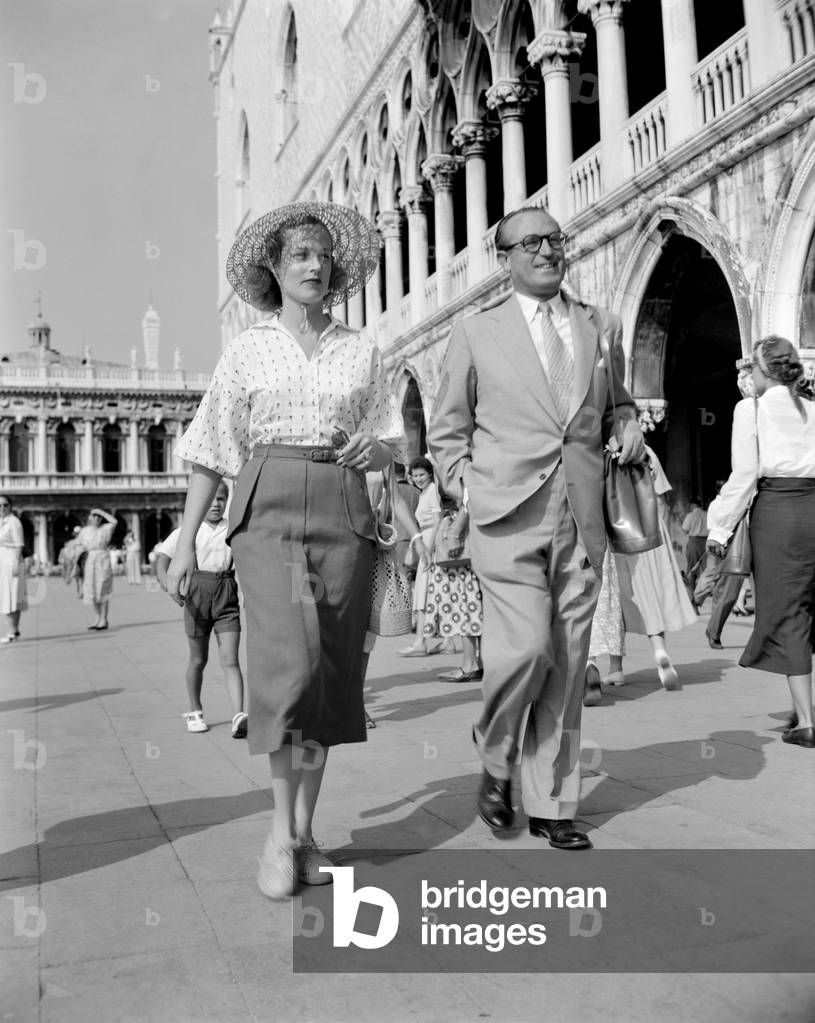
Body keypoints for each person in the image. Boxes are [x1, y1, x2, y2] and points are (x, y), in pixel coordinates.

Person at [166, 201, 405, 899]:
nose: (314, 265)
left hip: (342, 506)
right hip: (266, 505)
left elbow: (391, 440)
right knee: (287, 665)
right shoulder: (247, 350)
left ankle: (304, 832)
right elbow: (211, 450)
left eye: (323, 255)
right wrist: (184, 545)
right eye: (299, 254)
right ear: (273, 266)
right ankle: (278, 831)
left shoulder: (361, 348)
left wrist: (376, 450)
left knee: (329, 669)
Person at [429, 205, 645, 850]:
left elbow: (618, 404)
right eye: (531, 243)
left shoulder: (601, 325)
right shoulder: (476, 331)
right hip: (506, 515)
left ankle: (553, 803)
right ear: (506, 259)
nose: (547, 251)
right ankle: (496, 749)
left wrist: (629, 424)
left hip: (583, 514)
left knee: (569, 663)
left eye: (555, 239)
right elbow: (447, 429)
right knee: (524, 648)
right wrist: (467, 486)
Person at [707, 336, 815, 748]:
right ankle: (800, 709)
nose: (748, 373)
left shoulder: (750, 409)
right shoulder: (812, 406)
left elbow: (745, 475)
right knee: (808, 610)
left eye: (751, 366)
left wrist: (719, 528)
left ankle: (806, 721)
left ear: (765, 369)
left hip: (779, 516)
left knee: (788, 612)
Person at [155, 482, 247, 738]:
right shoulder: (189, 530)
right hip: (197, 597)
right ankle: (195, 710)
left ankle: (238, 715)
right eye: (211, 498)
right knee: (198, 659)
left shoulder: (233, 527)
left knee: (231, 659)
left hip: (226, 594)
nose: (216, 504)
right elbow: (163, 557)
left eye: (221, 499)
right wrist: (166, 581)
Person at [614, 446, 697, 689]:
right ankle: (660, 651)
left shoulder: (603, 449)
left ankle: (615, 668)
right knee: (650, 593)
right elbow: (661, 501)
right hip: (649, 528)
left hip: (615, 528)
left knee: (614, 598)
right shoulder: (647, 452)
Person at [424, 490, 483, 682]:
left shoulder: (457, 469)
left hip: (460, 536)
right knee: (473, 603)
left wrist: (455, 532)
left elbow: (467, 495)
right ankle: (480, 662)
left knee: (466, 603)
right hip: (470, 534)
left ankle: (470, 664)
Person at [398, 456, 442, 656]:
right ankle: (447, 641)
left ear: (430, 474)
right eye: (415, 475)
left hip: (430, 544)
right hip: (425, 541)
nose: (418, 479)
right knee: (433, 592)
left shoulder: (432, 490)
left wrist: (428, 548)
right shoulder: (424, 492)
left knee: (423, 594)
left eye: (422, 474)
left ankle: (419, 642)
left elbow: (438, 518)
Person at [76, 508, 118, 630]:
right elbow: (79, 545)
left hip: (102, 559)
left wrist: (101, 512)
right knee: (92, 589)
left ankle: (104, 619)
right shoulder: (84, 531)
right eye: (93, 516)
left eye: (98, 516)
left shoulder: (106, 528)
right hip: (90, 559)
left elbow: (114, 522)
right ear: (89, 518)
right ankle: (97, 617)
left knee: (103, 588)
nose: (96, 518)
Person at [0, 495, 27, 644]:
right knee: (7, 595)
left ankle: (12, 631)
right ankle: (13, 630)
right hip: (3, 560)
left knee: (12, 596)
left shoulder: (14, 522)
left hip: (12, 560)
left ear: (11, 506)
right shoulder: (2, 522)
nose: (2, 508)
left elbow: (19, 544)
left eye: (5, 505)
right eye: (0, 505)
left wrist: (16, 564)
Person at [681, 497, 708, 597]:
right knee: (706, 568)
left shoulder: (691, 515)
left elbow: (685, 529)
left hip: (694, 541)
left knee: (692, 568)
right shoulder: (707, 514)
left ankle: (690, 591)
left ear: (693, 505)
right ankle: (705, 591)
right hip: (706, 541)